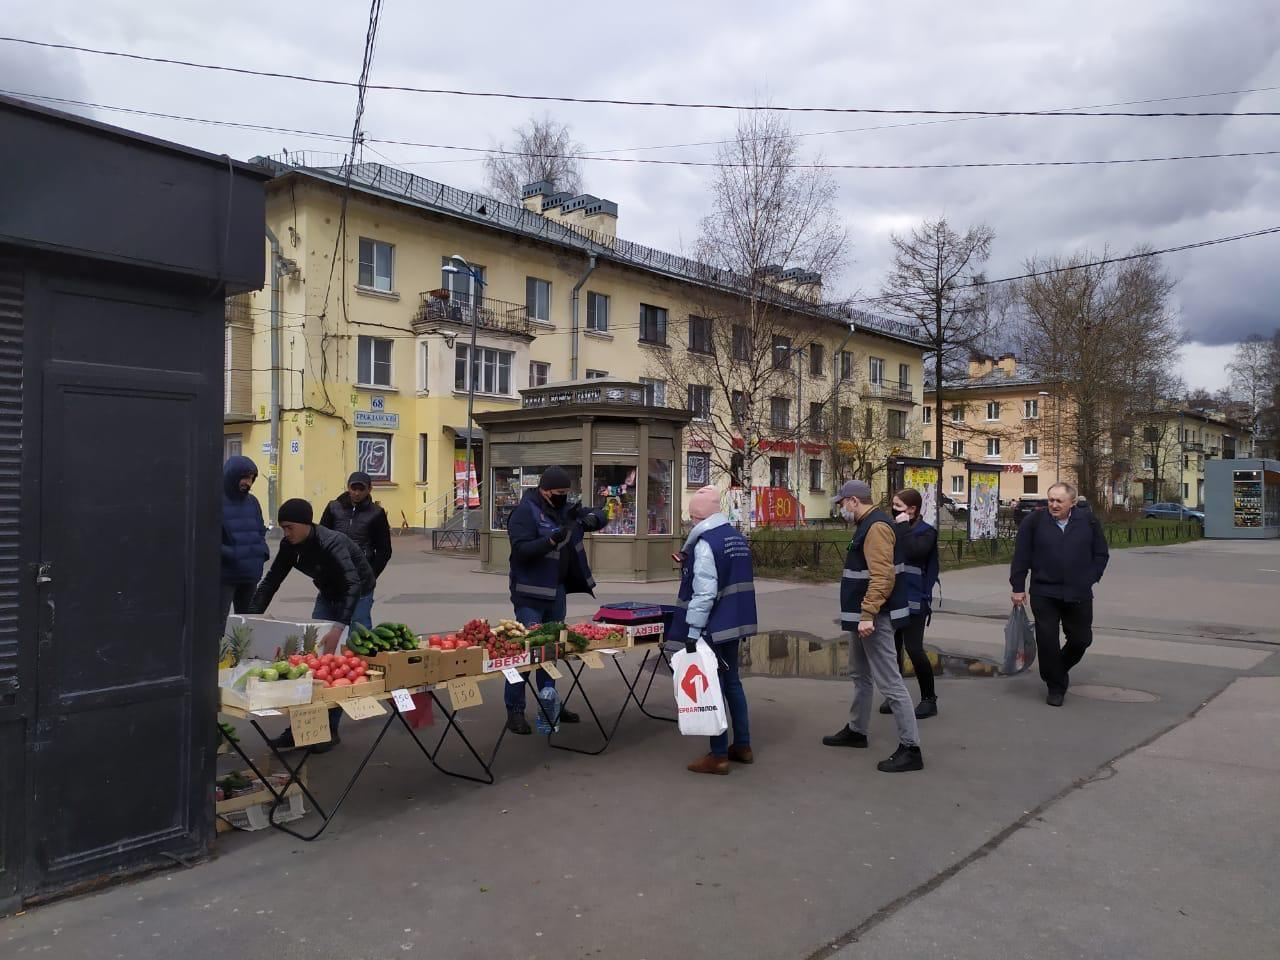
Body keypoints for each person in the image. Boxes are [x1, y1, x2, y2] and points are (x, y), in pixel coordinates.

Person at [248, 498, 376, 751]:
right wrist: (249, 619)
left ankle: (329, 729)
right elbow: (271, 582)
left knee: (344, 656)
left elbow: (353, 584)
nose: (285, 533)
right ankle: (304, 728)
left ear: (306, 524)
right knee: (314, 657)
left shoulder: (332, 542)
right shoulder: (289, 546)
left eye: (289, 527)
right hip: (328, 592)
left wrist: (339, 626)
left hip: (357, 592)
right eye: (283, 528)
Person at [822, 480, 924, 773]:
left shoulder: (876, 527)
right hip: (863, 617)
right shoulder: (869, 524)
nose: (841, 509)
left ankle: (911, 747)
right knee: (860, 673)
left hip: (873, 617)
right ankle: (857, 730)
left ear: (855, 501)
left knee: (890, 682)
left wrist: (867, 614)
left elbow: (882, 578)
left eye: (843, 503)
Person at [506, 466, 607, 735]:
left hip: (557, 592)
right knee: (526, 654)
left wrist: (592, 520)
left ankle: (549, 704)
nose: (564, 496)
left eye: (566, 492)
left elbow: (600, 515)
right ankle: (514, 710)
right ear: (545, 490)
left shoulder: (566, 510)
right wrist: (550, 541)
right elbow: (520, 552)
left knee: (552, 653)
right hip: (529, 595)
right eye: (559, 493)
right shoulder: (525, 512)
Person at [669, 485, 758, 776]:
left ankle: (718, 755)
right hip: (735, 622)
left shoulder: (706, 543)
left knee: (713, 689)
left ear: (697, 517)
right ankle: (742, 745)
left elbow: (705, 593)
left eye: (691, 518)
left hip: (713, 626)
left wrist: (692, 630)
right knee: (733, 683)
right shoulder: (735, 537)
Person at [1010, 481, 1109, 707]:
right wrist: (1017, 587)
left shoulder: (1088, 521)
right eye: (1050, 500)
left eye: (1059, 501)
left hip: (1078, 592)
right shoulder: (1034, 522)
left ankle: (1057, 669)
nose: (1053, 505)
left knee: (1081, 639)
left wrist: (1092, 576)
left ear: (1072, 503)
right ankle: (1055, 686)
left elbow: (1101, 552)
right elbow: (1021, 556)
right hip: (1044, 591)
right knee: (1047, 640)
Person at [879, 488, 941, 719]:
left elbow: (914, 552)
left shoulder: (927, 532)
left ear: (912, 509)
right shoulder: (895, 528)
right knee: (892, 650)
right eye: (893, 504)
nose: (893, 509)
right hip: (894, 598)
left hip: (916, 600)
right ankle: (895, 696)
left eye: (898, 505)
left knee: (914, 649)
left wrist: (904, 527)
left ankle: (929, 699)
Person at [318, 470, 391, 631]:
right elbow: (320, 539)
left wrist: (371, 573)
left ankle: (361, 656)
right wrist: (322, 569)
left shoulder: (376, 513)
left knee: (359, 626)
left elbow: (385, 550)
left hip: (361, 577)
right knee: (321, 624)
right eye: (353, 488)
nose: (356, 493)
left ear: (369, 490)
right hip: (333, 576)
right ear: (348, 487)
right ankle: (322, 655)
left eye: (361, 489)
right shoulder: (333, 508)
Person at [220, 455, 269, 627]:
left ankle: (244, 655)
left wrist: (262, 552)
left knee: (248, 626)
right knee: (219, 625)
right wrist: (232, 554)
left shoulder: (253, 502)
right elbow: (207, 539)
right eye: (245, 477)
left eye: (251, 478)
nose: (248, 482)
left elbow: (261, 530)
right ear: (232, 475)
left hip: (250, 575)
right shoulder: (215, 501)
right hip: (225, 576)